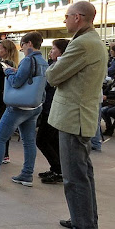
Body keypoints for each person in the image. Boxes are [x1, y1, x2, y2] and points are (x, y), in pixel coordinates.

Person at [47, 1, 106, 229]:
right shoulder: (92, 41)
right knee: (84, 173)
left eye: (67, 16)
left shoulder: (81, 44)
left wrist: (57, 66)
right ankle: (85, 220)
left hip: (74, 117)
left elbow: (53, 76)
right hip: (80, 115)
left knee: (75, 176)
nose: (65, 20)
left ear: (78, 18)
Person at [0, 31, 48, 188]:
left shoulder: (28, 60)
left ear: (28, 44)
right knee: (28, 141)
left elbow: (16, 83)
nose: (22, 49)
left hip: (18, 106)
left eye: (23, 45)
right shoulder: (42, 61)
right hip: (34, 105)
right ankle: (27, 175)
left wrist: (8, 71)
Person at [36, 39, 69, 184]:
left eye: (53, 49)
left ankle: (58, 169)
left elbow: (49, 83)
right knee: (52, 141)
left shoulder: (60, 68)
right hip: (49, 108)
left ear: (61, 52)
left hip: (53, 109)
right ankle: (58, 168)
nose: (50, 52)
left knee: (42, 140)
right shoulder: (54, 65)